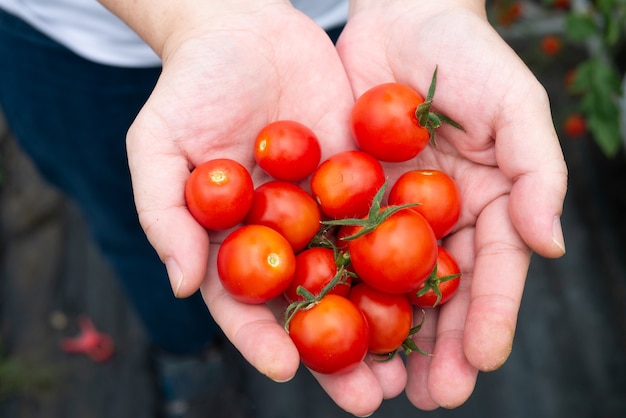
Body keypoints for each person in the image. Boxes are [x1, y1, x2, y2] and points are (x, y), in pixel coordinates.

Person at [0, 0, 568, 417]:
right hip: (75, 45)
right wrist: (196, 18)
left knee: (173, 239)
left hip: (358, 28)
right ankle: (187, 350)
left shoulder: (356, 222)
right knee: (137, 229)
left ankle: (189, 350)